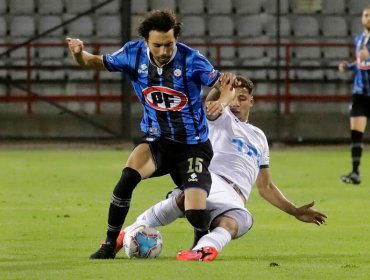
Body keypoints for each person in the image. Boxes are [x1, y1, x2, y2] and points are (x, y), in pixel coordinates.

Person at [66, 10, 238, 259]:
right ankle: (108, 244)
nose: (164, 50)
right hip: (158, 142)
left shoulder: (192, 59)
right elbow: (92, 61)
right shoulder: (132, 54)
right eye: (158, 45)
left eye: (169, 44)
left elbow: (226, 86)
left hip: (193, 147)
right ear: (146, 41)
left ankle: (199, 246)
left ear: (175, 39)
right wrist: (78, 54)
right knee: (126, 180)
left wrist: (222, 102)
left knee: (195, 211)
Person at [115, 76, 327, 262]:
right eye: (233, 97)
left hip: (235, 199)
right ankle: (127, 234)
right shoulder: (221, 117)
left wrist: (295, 211)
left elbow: (266, 186)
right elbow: (210, 103)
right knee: (184, 199)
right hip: (211, 180)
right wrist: (221, 85)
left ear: (252, 101)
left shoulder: (259, 137)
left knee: (236, 223)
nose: (235, 103)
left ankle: (203, 250)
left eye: (242, 98)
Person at [339, 6, 370, 185]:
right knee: (356, 133)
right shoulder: (359, 39)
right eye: (366, 15)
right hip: (359, 93)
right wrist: (348, 66)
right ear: (362, 18)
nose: (368, 18)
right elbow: (361, 63)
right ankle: (355, 172)